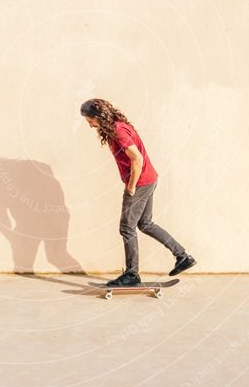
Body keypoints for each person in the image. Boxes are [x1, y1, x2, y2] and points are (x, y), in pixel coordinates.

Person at [80, 98, 196, 286]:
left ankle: (132, 275)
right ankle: (182, 256)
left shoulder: (118, 130)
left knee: (127, 227)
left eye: (90, 121)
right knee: (145, 223)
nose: (90, 125)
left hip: (140, 182)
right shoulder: (118, 126)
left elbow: (137, 159)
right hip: (150, 178)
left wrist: (131, 186)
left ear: (97, 117)